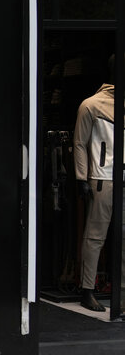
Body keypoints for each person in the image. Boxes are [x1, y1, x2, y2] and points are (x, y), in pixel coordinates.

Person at [73, 57, 115, 313]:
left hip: (113, 177)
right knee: (95, 236)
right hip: (102, 178)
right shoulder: (91, 105)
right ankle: (87, 290)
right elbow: (79, 143)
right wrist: (81, 178)